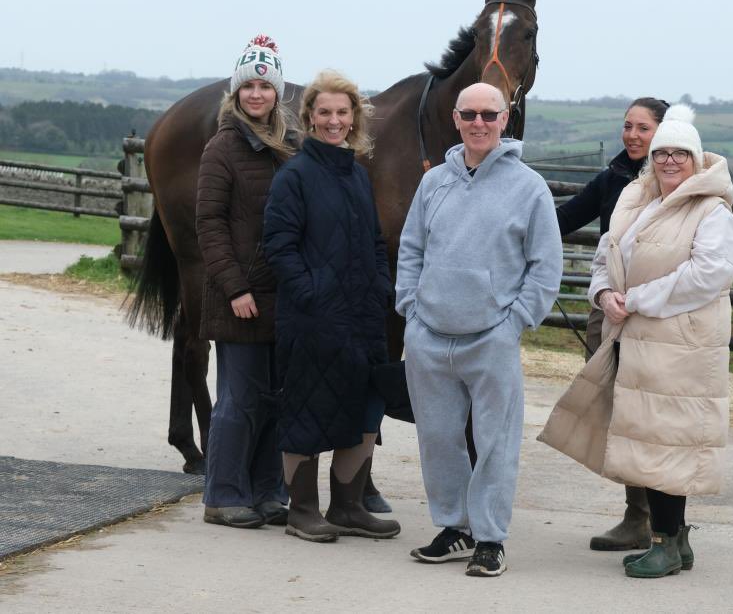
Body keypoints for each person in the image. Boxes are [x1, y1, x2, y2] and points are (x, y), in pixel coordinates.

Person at [539, 103, 733, 578]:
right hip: (635, 338)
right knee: (653, 438)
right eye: (662, 153)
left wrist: (637, 299)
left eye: (680, 154)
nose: (670, 161)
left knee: (665, 442)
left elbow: (710, 274)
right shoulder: (638, 200)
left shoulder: (712, 211)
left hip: (679, 346)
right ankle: (677, 540)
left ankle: (664, 543)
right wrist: (605, 293)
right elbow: (607, 255)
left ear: (696, 158)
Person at [395, 82, 563, 577]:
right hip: (430, 335)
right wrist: (411, 308)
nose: (479, 123)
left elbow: (545, 266)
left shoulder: (529, 187)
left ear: (505, 118)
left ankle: (490, 537)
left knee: (495, 441)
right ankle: (454, 527)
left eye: (489, 114)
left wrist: (515, 322)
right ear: (455, 118)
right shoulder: (433, 183)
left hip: (492, 336)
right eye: (469, 114)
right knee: (438, 438)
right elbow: (411, 250)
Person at [263, 70, 400, 543]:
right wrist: (313, 295)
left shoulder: (359, 175)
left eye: (343, 112)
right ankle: (302, 510)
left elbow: (373, 242)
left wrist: (381, 289)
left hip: (362, 318)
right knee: (307, 409)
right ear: (309, 117)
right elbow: (279, 247)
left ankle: (348, 507)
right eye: (325, 112)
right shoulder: (294, 175)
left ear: (354, 118)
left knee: (362, 412)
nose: (334, 120)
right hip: (312, 319)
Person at [555, 97, 668, 552]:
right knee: (619, 414)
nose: (633, 135)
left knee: (655, 416)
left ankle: (666, 523)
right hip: (610, 310)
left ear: (664, 133)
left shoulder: (677, 183)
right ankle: (637, 515)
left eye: (643, 128)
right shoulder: (613, 179)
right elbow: (560, 218)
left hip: (657, 313)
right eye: (628, 126)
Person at [196, 35, 298, 529]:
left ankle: (267, 491)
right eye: (248, 85)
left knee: (274, 398)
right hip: (241, 295)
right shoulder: (224, 147)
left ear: (278, 93)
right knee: (238, 399)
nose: (256, 93)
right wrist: (235, 288)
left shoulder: (288, 149)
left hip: (283, 297)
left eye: (265, 84)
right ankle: (223, 494)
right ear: (235, 92)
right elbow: (209, 223)